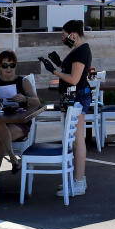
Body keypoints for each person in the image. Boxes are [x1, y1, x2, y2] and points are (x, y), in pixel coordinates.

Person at [40, 19, 91, 197]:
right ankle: (76, 180)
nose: (63, 39)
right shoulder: (78, 50)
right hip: (73, 97)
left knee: (77, 140)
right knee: (74, 140)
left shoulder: (81, 51)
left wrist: (54, 71)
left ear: (73, 35)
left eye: (64, 36)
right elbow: (71, 72)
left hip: (77, 97)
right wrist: (60, 63)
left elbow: (74, 79)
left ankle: (79, 182)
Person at [0, 50, 41, 185]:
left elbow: (37, 102)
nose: (9, 68)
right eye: (5, 65)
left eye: (12, 65)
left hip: (18, 123)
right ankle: (13, 159)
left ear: (16, 66)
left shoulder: (23, 81)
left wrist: (25, 98)